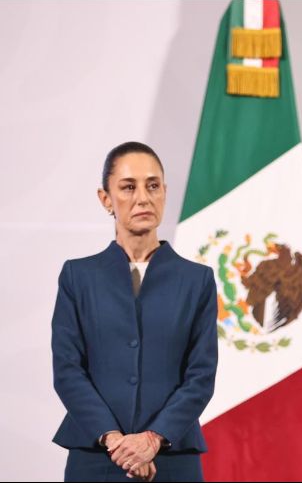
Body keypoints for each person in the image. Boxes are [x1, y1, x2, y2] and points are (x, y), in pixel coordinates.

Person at [51, 141, 218, 481]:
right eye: (128, 187)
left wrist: (152, 439)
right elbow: (68, 371)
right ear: (105, 199)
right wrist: (117, 442)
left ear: (165, 193)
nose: (143, 197)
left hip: (173, 459)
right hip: (95, 457)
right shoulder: (78, 277)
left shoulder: (197, 280)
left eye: (152, 185)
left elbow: (200, 376)